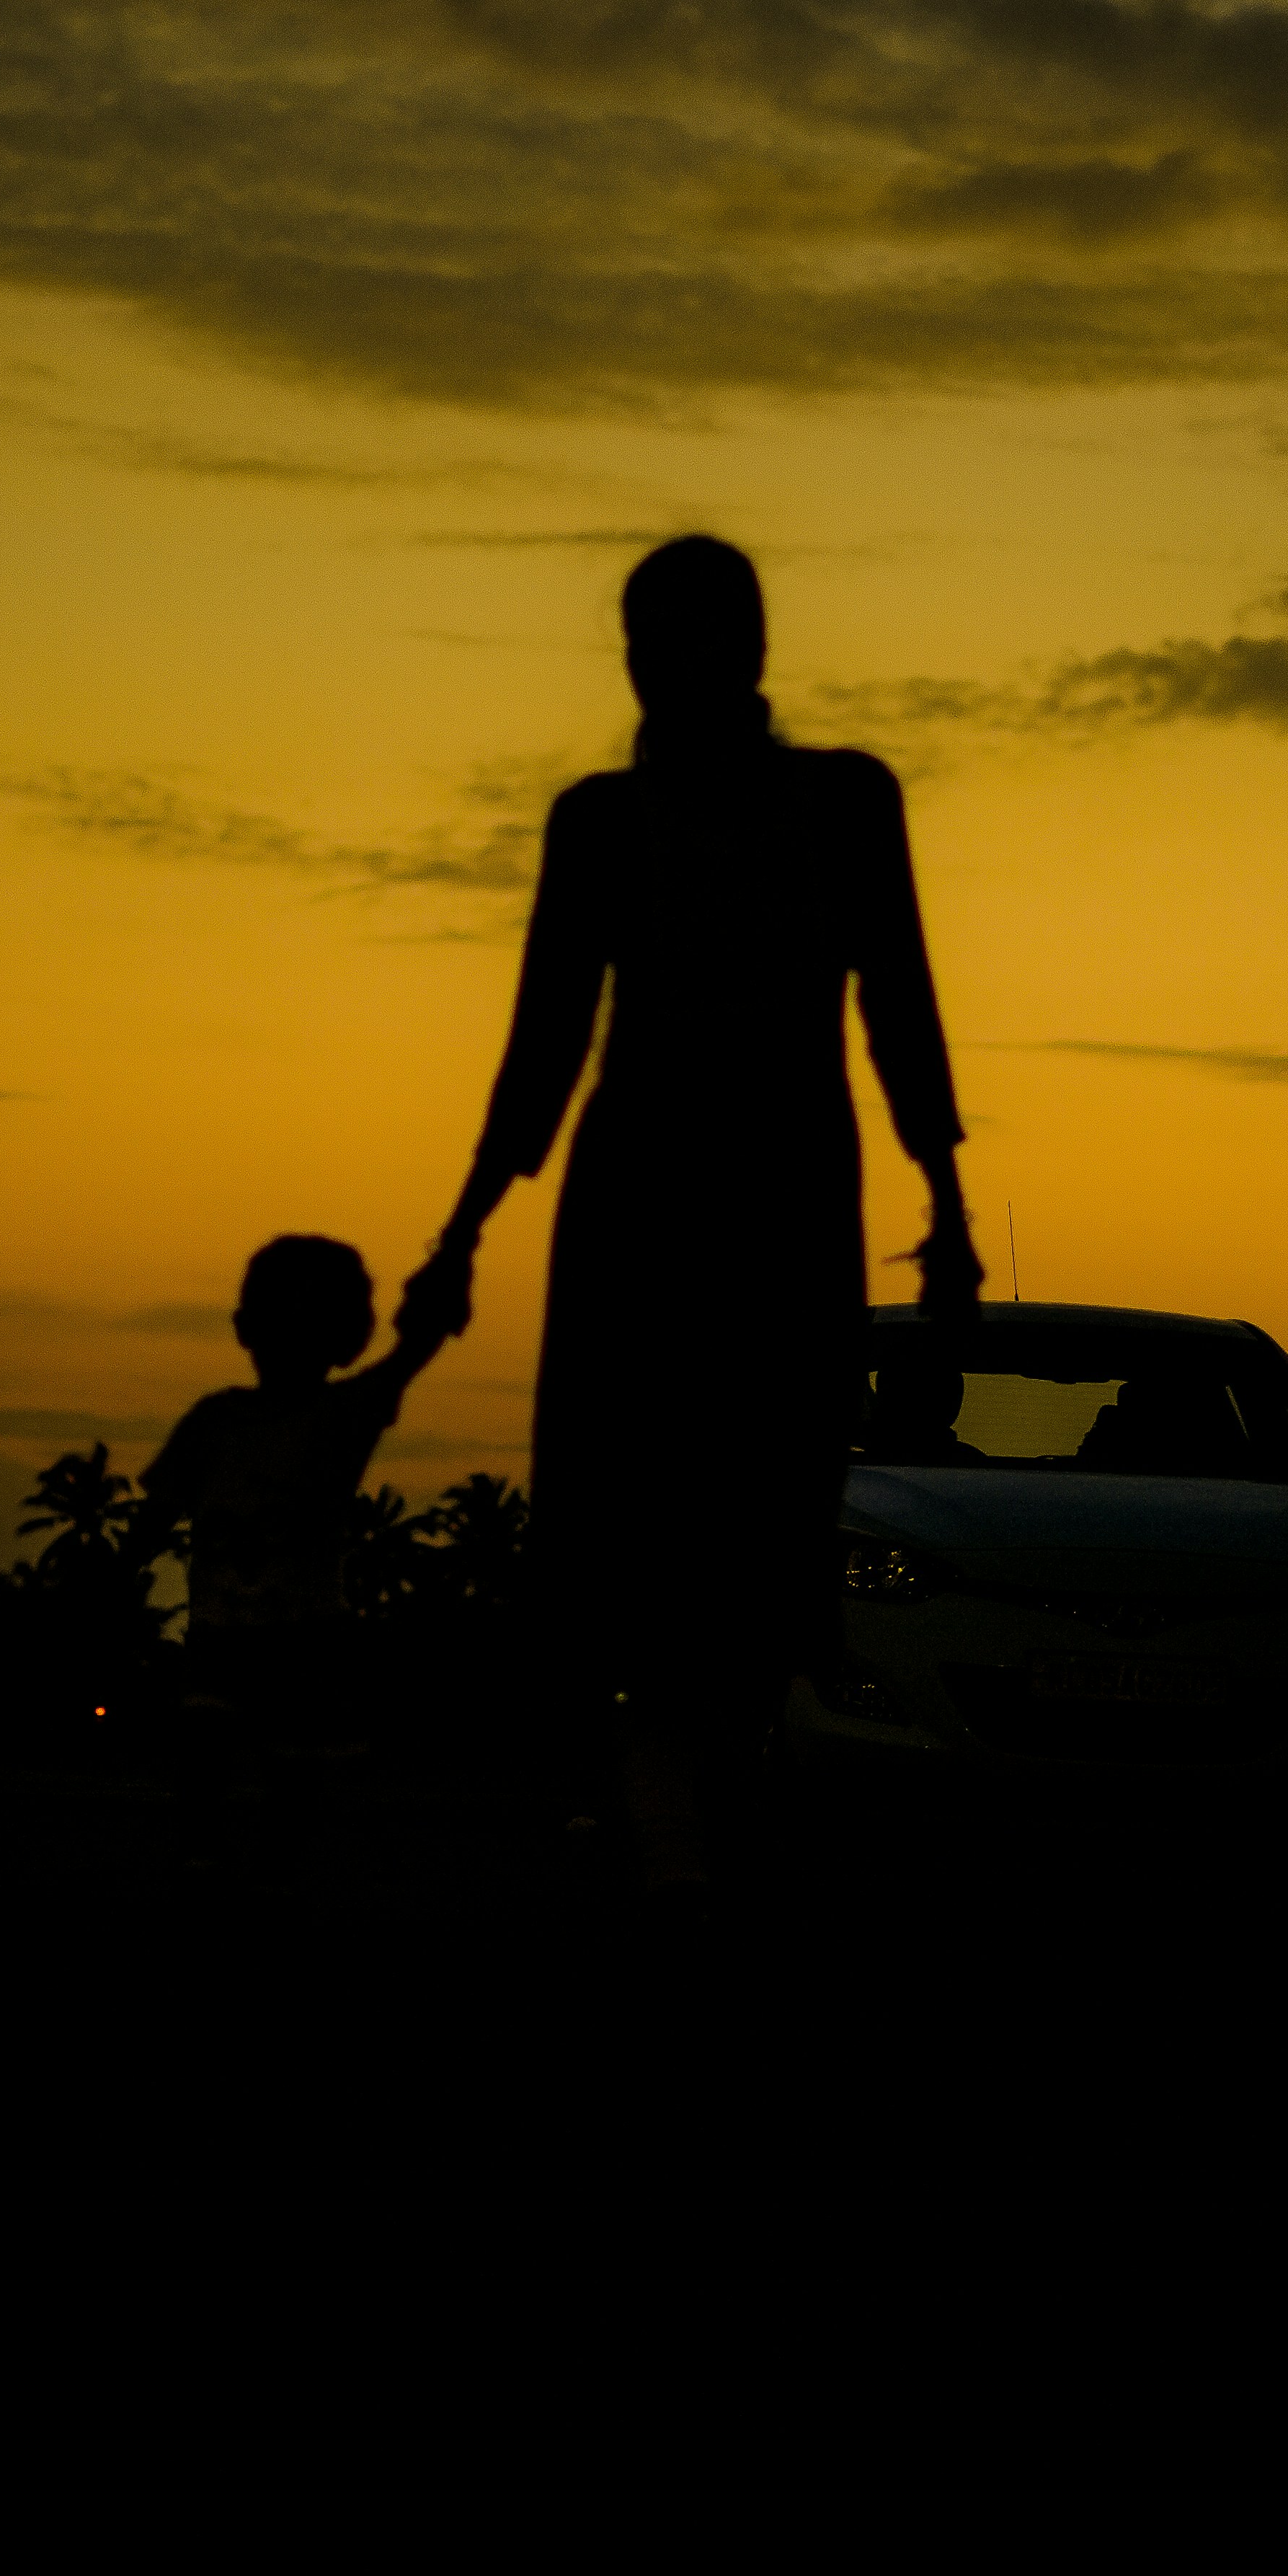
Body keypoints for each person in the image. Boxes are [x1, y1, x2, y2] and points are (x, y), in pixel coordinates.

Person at [404, 535, 978, 1885]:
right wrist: (464, 1225)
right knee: (629, 1530)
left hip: (783, 1202)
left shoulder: (846, 800)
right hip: (634, 1213)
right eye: (639, 638)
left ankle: (705, 1836)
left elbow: (899, 1000)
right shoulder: (597, 819)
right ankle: (665, 1844)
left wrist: (945, 1200)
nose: (659, 662)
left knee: (764, 1525)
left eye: (687, 634)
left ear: (753, 648)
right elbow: (543, 1042)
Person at [140, 1232, 463, 1760]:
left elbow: (416, 1345)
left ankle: (223, 1842)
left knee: (284, 1765)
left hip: (300, 1637)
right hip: (230, 1635)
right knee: (220, 1753)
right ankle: (209, 1844)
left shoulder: (339, 1413)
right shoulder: (217, 1421)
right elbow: (158, 1512)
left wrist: (448, 1264)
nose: (293, 1331)